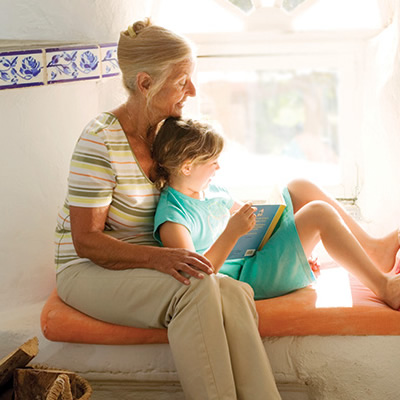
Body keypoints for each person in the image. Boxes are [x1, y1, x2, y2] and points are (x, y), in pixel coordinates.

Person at [54, 19, 282, 400]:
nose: (192, 91)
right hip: (87, 271)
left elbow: (198, 202)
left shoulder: (167, 134)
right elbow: (86, 242)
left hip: (147, 265)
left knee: (234, 293)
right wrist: (162, 259)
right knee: (197, 288)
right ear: (145, 84)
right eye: (182, 81)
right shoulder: (100, 139)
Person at [152, 117, 400, 310]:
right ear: (186, 167)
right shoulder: (173, 218)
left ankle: (373, 250)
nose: (219, 167)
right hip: (247, 278)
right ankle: (383, 287)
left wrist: (295, 247)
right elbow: (195, 277)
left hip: (254, 258)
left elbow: (254, 221)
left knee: (300, 187)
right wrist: (232, 232)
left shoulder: (209, 189)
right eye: (212, 162)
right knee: (319, 214)